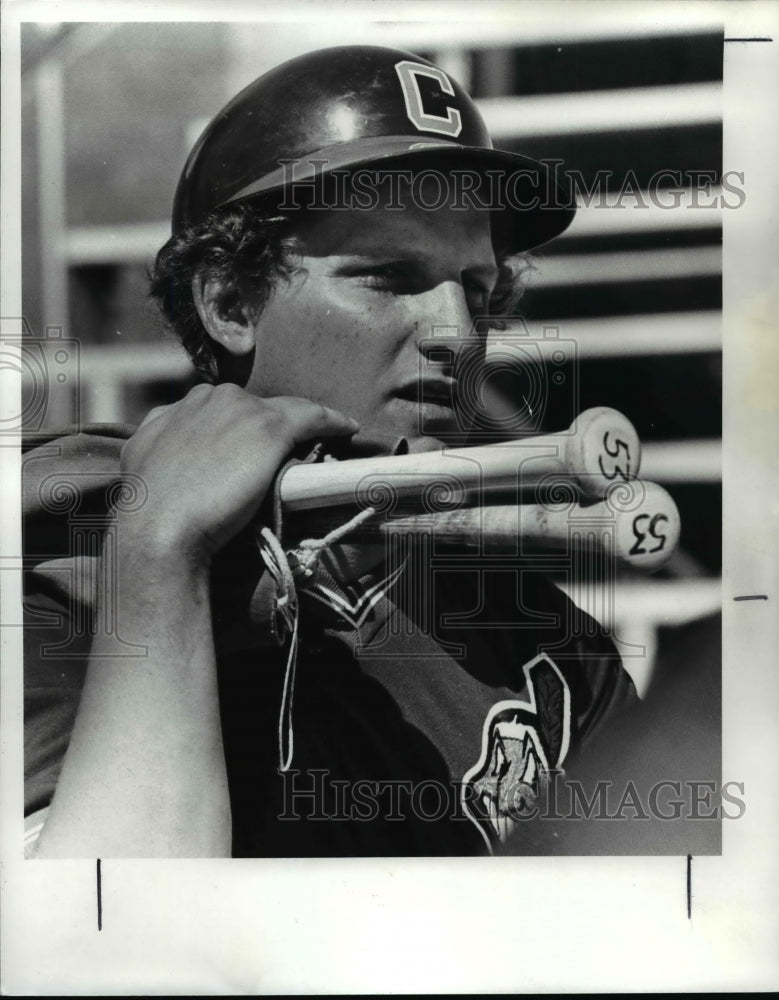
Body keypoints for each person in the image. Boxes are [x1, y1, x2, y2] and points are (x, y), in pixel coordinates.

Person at [23, 45, 638, 858]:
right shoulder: (53, 592)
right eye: (387, 277)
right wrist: (158, 554)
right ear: (230, 302)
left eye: (478, 291)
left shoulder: (553, 655)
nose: (458, 335)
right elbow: (103, 956)